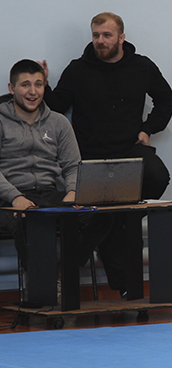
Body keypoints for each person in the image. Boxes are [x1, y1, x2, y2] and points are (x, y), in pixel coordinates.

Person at [43, 12, 172, 298]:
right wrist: (43, 85)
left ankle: (122, 219)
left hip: (130, 149)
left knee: (158, 175)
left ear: (121, 38)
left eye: (107, 35)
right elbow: (57, 106)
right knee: (111, 220)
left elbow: (167, 99)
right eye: (96, 35)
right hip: (90, 155)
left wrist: (148, 129)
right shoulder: (78, 69)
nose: (100, 41)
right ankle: (126, 285)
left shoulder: (142, 66)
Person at [0, 59, 112, 273]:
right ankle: (41, 286)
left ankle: (67, 270)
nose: (33, 92)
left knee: (101, 217)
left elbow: (73, 165)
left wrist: (72, 193)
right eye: (25, 85)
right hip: (9, 197)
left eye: (38, 84)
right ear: (12, 89)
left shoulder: (59, 122)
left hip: (50, 195)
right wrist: (15, 197)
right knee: (29, 223)